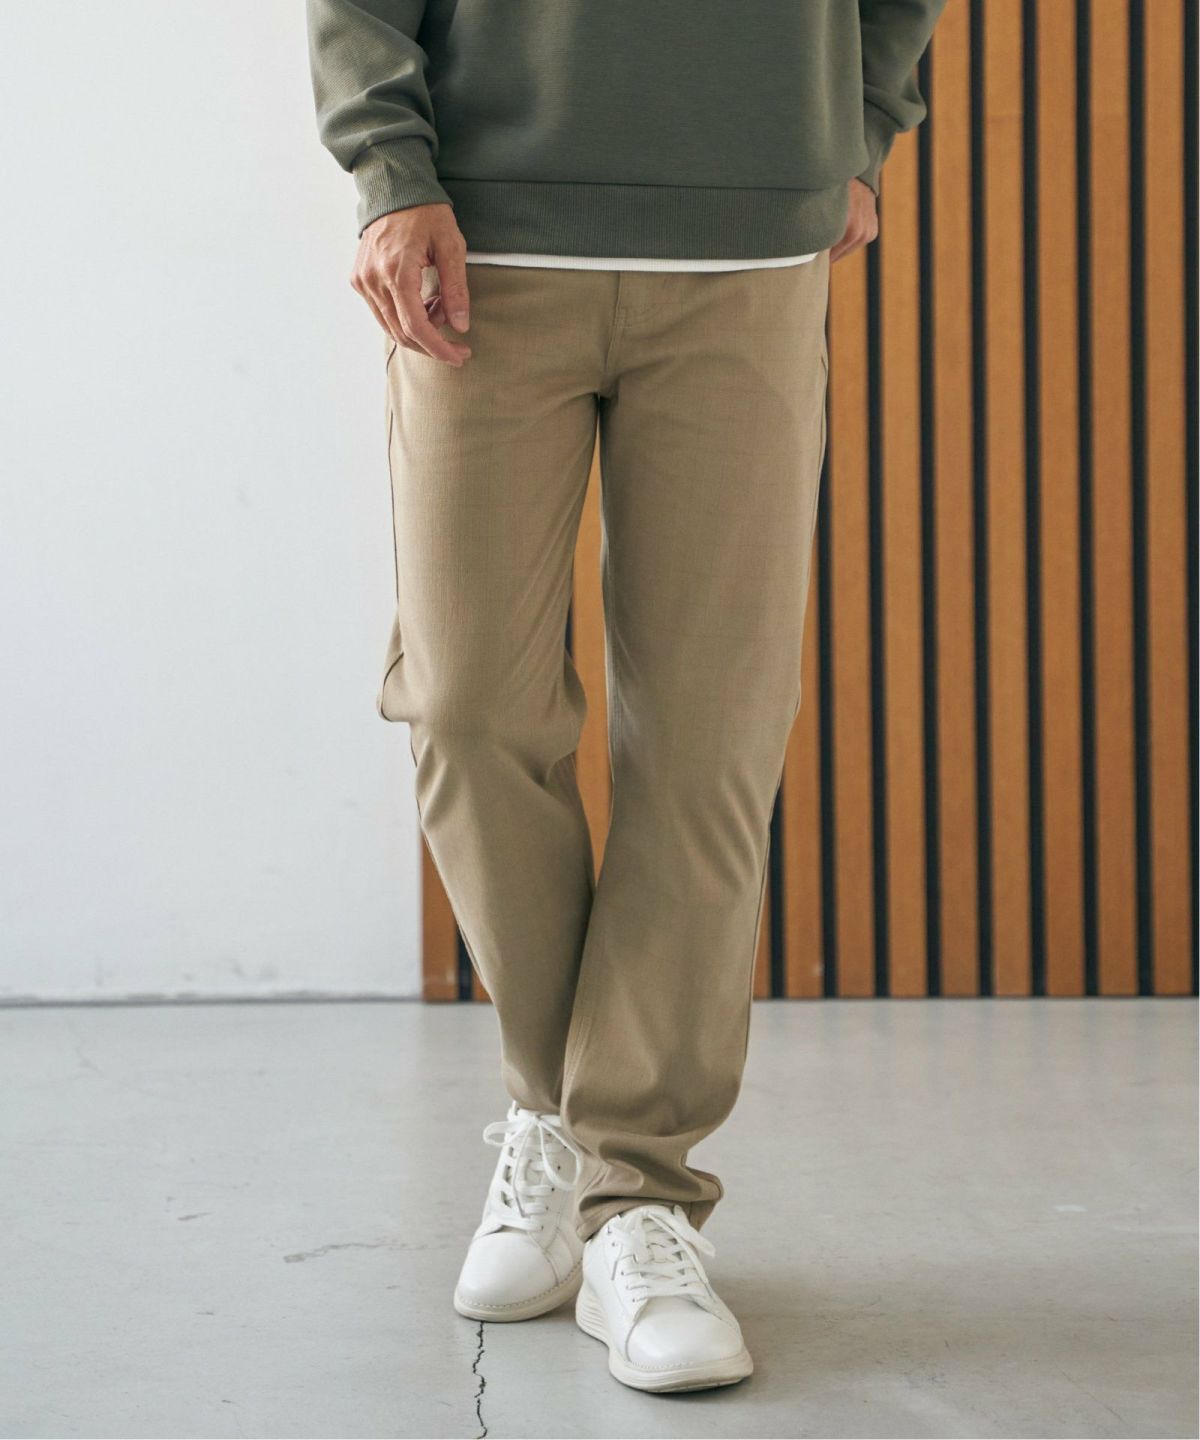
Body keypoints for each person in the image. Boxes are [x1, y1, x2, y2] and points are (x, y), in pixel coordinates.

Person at [307, 0, 944, 1394]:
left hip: (747, 244)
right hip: (482, 237)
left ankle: (636, 1193)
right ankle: (565, 1118)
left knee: (709, 739)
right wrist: (389, 172)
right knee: (466, 705)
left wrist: (861, 120)